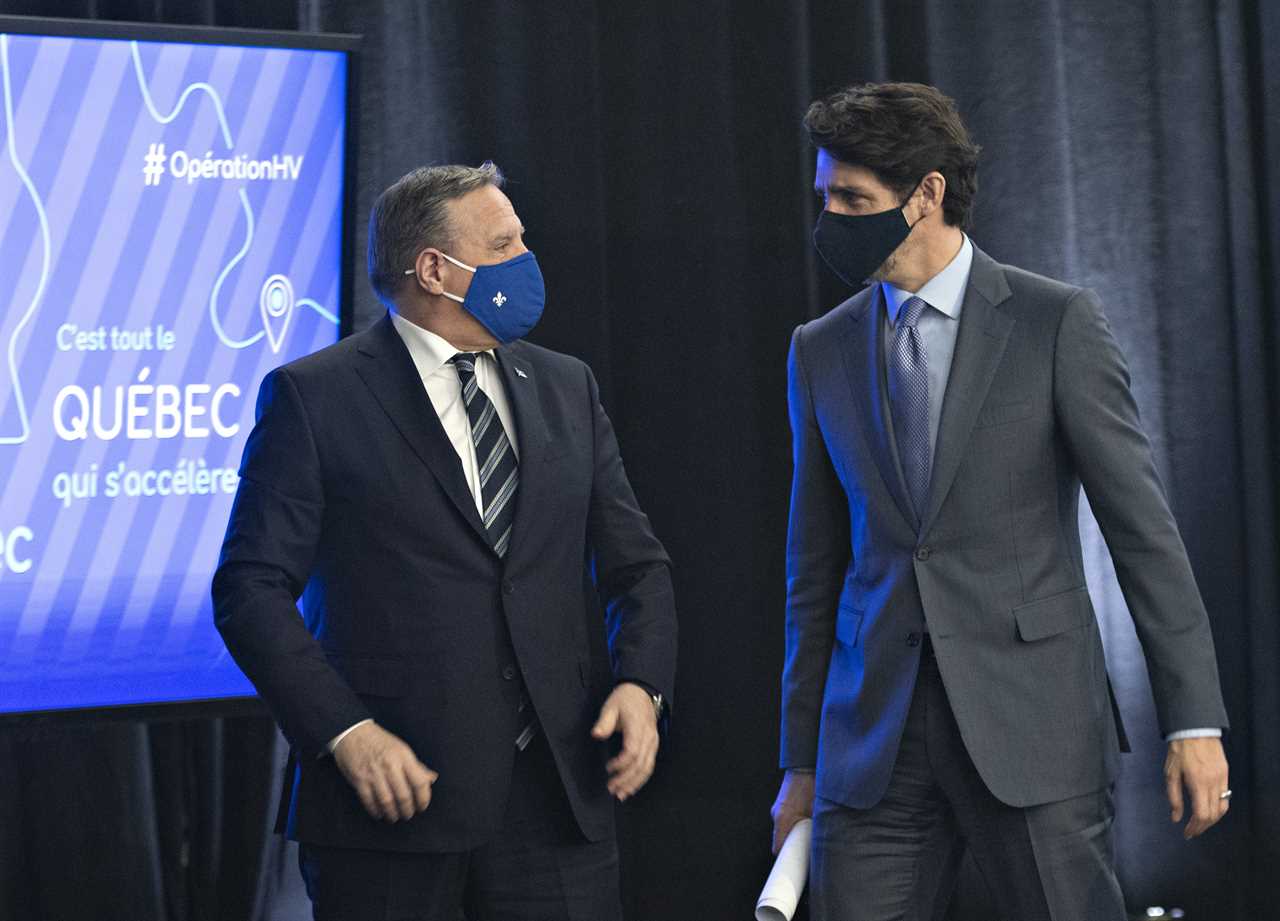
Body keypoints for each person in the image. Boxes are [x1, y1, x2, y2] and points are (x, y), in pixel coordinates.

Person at [770, 82, 1230, 920]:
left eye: (853, 199)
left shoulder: (1056, 323)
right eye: (825, 197)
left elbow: (1143, 535)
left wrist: (1193, 720)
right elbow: (814, 572)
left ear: (928, 194)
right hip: (870, 748)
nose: (830, 217)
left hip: (1036, 731)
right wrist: (800, 763)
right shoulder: (819, 350)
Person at [213, 162, 676, 921]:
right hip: (392, 806)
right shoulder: (314, 396)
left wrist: (643, 685)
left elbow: (637, 565)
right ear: (434, 269)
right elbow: (248, 589)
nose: (529, 259)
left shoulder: (567, 385)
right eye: (506, 244)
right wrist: (345, 732)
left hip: (559, 801)